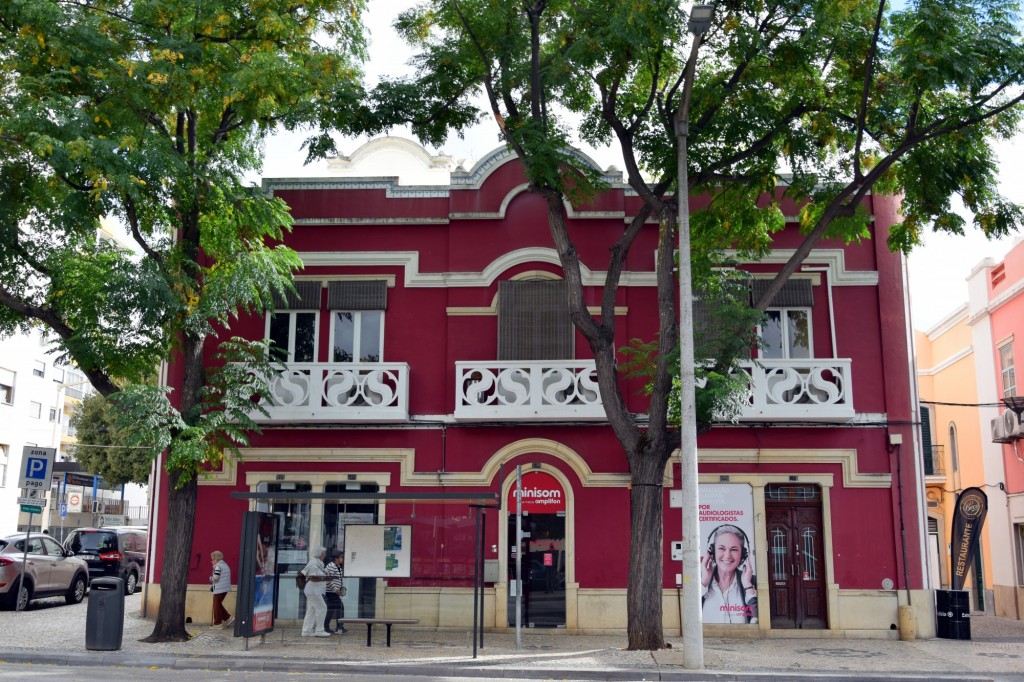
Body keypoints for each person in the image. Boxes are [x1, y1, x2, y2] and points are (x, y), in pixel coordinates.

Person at [700, 524, 757, 624]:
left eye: (734, 549)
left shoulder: (752, 582)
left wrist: (748, 586)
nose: (727, 556)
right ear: (712, 552)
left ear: (743, 555)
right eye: (721, 548)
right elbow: (688, 616)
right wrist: (703, 583)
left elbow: (757, 621)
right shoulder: (699, 582)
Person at [299, 546, 331, 637]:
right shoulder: (314, 564)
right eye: (324, 554)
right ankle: (319, 630)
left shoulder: (318, 563)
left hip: (314, 590)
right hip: (313, 591)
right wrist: (325, 578)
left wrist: (326, 577)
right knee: (322, 607)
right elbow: (312, 577)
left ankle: (306, 631)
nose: (325, 556)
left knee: (311, 610)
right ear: (320, 554)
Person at [323, 551, 348, 634]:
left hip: (335, 592)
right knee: (336, 609)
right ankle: (336, 627)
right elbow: (328, 580)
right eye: (341, 557)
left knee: (334, 609)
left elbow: (337, 579)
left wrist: (341, 588)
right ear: (336, 558)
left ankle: (334, 627)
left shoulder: (338, 567)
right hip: (331, 592)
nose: (343, 559)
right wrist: (335, 589)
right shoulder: (331, 566)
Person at [209, 550, 234, 629]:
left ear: (216, 559)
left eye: (212, 559)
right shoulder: (225, 565)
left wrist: (211, 578)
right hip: (225, 588)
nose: (211, 561)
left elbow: (216, 578)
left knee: (216, 605)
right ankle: (227, 618)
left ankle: (218, 623)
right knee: (218, 604)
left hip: (219, 589)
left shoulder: (218, 566)